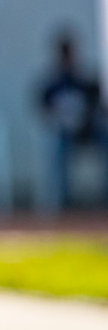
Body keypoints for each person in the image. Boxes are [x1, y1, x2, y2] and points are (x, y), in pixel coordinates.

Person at [38, 29, 108, 211]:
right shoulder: (52, 83)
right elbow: (43, 109)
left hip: (87, 129)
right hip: (65, 132)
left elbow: (98, 105)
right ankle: (63, 202)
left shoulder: (85, 80)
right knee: (59, 146)